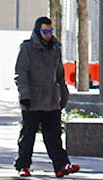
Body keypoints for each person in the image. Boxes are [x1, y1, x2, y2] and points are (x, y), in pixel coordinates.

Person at [14, 17, 77, 179]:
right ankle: (23, 165)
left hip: (51, 102)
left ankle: (61, 165)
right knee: (28, 135)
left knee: (54, 135)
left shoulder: (55, 48)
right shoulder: (27, 48)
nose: (48, 35)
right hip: (33, 101)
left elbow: (60, 75)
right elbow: (21, 73)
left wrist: (63, 96)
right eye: (45, 31)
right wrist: (25, 95)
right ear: (38, 31)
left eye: (50, 31)